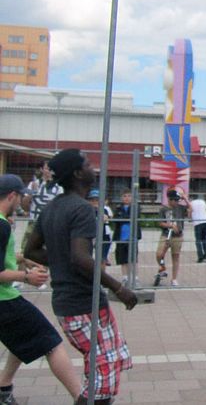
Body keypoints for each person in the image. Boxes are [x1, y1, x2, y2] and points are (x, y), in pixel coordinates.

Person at [24, 149, 137, 405]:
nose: (93, 167)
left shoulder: (52, 208)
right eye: (87, 163)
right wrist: (119, 288)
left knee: (103, 371)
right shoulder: (82, 210)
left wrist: (59, 260)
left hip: (69, 303)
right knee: (101, 383)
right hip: (84, 304)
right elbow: (81, 258)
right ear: (77, 173)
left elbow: (32, 250)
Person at [0, 174, 81, 404]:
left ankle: (4, 386)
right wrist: (26, 276)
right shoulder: (2, 226)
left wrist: (21, 260)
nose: (25, 202)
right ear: (12, 196)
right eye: (24, 197)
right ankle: (81, 397)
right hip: (4, 300)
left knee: (23, 338)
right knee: (50, 342)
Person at [20, 160, 64, 251]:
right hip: (34, 221)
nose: (50, 171)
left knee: (50, 251)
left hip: (50, 224)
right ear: (41, 169)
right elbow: (24, 206)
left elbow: (62, 207)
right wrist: (32, 192)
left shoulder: (59, 187)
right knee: (25, 250)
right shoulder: (33, 184)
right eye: (47, 168)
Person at [154, 188, 191, 287]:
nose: (176, 202)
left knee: (175, 256)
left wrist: (185, 199)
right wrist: (169, 225)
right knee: (159, 254)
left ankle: (174, 279)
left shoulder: (180, 208)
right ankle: (162, 267)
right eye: (174, 200)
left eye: (177, 200)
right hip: (166, 235)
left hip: (177, 236)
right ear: (169, 199)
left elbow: (190, 210)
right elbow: (160, 222)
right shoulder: (163, 209)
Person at [112, 188, 141, 286]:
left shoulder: (135, 207)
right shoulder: (118, 208)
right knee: (122, 258)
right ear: (121, 198)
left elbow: (133, 218)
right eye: (124, 196)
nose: (127, 198)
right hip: (121, 237)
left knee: (133, 258)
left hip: (132, 237)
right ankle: (125, 277)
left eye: (129, 196)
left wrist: (123, 218)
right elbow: (116, 219)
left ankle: (135, 278)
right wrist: (124, 218)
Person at [85, 189, 113, 267]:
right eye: (92, 200)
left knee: (102, 259)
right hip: (90, 236)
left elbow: (106, 218)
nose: (95, 202)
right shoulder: (86, 210)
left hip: (103, 235)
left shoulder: (104, 210)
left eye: (97, 200)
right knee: (87, 258)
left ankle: (101, 277)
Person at [190, 194, 206, 262]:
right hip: (205, 220)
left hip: (197, 222)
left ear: (191, 198)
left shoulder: (191, 203)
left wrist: (190, 217)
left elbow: (189, 212)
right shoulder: (202, 201)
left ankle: (200, 256)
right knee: (204, 238)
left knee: (198, 240)